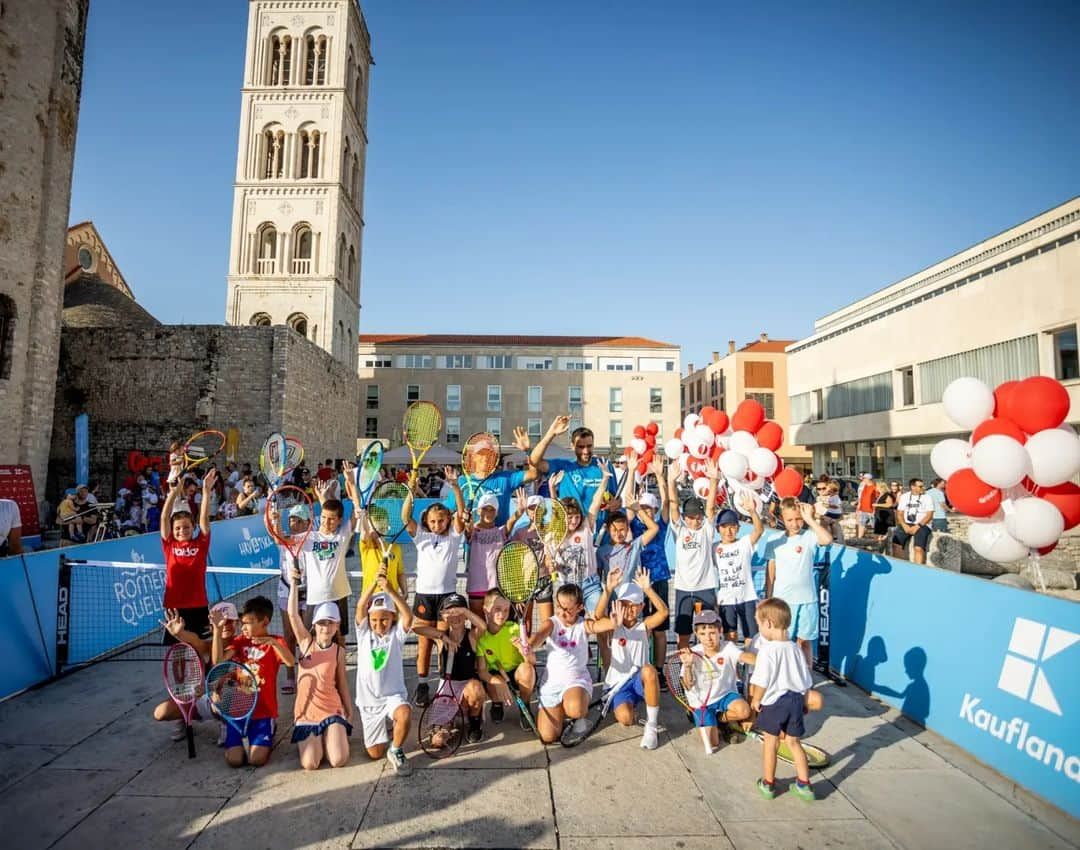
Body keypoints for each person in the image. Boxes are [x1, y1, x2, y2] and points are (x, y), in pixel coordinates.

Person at [404, 467, 466, 707]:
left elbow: (461, 513)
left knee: (444, 641)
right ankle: (422, 684)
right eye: (433, 521)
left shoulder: (453, 536)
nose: (438, 524)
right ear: (427, 522)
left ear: (448, 520)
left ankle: (443, 685)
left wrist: (456, 486)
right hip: (424, 596)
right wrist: (410, 491)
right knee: (424, 642)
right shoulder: (421, 536)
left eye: (441, 520)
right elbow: (404, 518)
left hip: (447, 597)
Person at [590, 567, 668, 749]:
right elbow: (596, 617)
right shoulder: (613, 625)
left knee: (649, 670)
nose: (630, 609)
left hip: (639, 679)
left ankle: (652, 725)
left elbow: (663, 612)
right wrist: (607, 590)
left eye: (634, 604)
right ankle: (637, 704)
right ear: (617, 605)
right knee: (625, 719)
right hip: (618, 684)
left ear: (641, 606)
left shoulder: (644, 626)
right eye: (625, 604)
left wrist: (648, 589)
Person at [212, 596, 294, 767]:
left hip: (264, 712)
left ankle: (270, 729)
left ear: (264, 621)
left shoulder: (276, 642)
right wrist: (217, 632)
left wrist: (272, 643)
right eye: (242, 623)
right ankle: (233, 731)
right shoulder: (240, 642)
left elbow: (290, 661)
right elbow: (218, 663)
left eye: (248, 623)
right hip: (239, 710)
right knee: (234, 761)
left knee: (256, 760)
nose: (243, 628)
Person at [285, 565, 353, 770]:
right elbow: (292, 614)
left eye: (331, 623)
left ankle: (332, 732)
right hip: (307, 714)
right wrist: (295, 583)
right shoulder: (305, 644)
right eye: (322, 622)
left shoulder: (339, 652)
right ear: (314, 625)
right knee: (311, 763)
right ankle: (318, 739)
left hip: (332, 709)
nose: (326, 627)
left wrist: (349, 711)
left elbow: (342, 684)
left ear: (337, 626)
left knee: (338, 760)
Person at [749, 597, 816, 802]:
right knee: (794, 743)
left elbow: (762, 679)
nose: (759, 628)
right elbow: (805, 680)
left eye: (759, 624)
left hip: (775, 703)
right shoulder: (796, 648)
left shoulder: (767, 650)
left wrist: (756, 699)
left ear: (768, 623)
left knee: (770, 743)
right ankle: (804, 784)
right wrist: (804, 702)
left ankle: (768, 783)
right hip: (795, 699)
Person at [526, 582, 601, 744]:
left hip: (575, 680)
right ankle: (559, 710)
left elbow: (599, 625)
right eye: (559, 606)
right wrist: (528, 645)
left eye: (568, 609)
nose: (562, 612)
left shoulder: (583, 624)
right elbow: (538, 636)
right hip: (551, 685)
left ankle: (577, 714)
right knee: (548, 737)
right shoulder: (552, 623)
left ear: (580, 607)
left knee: (575, 708)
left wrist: (615, 621)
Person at [153, 601, 237, 745]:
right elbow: (195, 640)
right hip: (201, 699)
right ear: (210, 627)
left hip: (223, 699)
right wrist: (179, 633)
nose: (225, 625)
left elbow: (219, 665)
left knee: (224, 691)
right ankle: (185, 717)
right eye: (221, 622)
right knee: (160, 713)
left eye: (229, 621)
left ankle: (225, 722)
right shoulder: (207, 645)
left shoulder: (240, 645)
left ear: (237, 623)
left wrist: (209, 689)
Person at [354, 573, 414, 774]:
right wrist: (374, 582)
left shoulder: (396, 636)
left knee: (404, 714)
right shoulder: (363, 634)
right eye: (374, 620)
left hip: (392, 697)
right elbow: (361, 607)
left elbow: (408, 616)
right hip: (369, 703)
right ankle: (387, 731)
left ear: (392, 618)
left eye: (384, 619)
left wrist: (389, 589)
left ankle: (396, 749)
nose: (379, 624)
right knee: (374, 753)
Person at [764, 498, 833, 667]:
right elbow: (770, 571)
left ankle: (806, 680)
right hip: (784, 602)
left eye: (798, 519)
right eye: (790, 520)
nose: (795, 524)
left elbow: (827, 539)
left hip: (808, 600)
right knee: (782, 643)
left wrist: (809, 519)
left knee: (804, 643)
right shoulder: (774, 539)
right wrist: (768, 597)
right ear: (782, 518)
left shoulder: (809, 537)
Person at [413, 593, 488, 745]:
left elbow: (483, 626)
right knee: (437, 742)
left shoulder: (472, 636)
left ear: (466, 615)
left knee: (476, 689)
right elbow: (416, 628)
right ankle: (448, 724)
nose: (455, 616)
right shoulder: (441, 638)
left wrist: (465, 611)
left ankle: (474, 722)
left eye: (459, 612)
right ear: (444, 616)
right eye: (450, 612)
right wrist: (442, 636)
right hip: (447, 691)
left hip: (466, 689)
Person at [677, 608, 755, 754]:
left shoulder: (728, 647)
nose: (708, 638)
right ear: (697, 635)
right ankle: (702, 716)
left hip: (725, 695)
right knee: (713, 744)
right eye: (703, 634)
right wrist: (687, 666)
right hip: (701, 702)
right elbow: (687, 685)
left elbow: (746, 657)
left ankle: (720, 719)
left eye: (712, 632)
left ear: (720, 631)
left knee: (744, 711)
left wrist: (770, 661)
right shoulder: (693, 653)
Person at [594, 501, 659, 668]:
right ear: (608, 530)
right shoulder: (602, 551)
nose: (618, 533)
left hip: (633, 601)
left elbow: (654, 529)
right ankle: (611, 672)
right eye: (614, 529)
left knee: (640, 635)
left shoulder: (634, 545)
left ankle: (642, 666)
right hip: (614, 602)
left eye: (622, 529)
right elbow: (599, 576)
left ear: (627, 529)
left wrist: (638, 509)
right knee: (610, 637)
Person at [625, 454, 671, 683]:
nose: (646, 512)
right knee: (640, 627)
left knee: (660, 629)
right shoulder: (634, 525)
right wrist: (631, 471)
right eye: (643, 508)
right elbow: (628, 500)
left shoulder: (660, 525)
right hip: (638, 582)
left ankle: (659, 670)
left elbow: (667, 503)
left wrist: (661, 477)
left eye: (649, 509)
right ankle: (641, 667)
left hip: (659, 579)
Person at [160, 469, 217, 647]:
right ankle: (180, 677)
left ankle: (199, 675)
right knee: (177, 651)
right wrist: (174, 493)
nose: (181, 531)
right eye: (177, 528)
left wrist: (206, 491)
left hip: (198, 604)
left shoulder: (201, 543)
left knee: (200, 647)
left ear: (193, 527)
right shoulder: (169, 545)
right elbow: (164, 518)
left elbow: (204, 518)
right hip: (175, 606)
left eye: (186, 527)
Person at [666, 458, 719, 649]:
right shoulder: (680, 531)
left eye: (698, 517)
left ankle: (708, 669)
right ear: (685, 517)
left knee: (708, 632)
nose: (695, 521)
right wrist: (670, 481)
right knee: (683, 636)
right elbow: (673, 506)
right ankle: (684, 672)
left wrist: (713, 481)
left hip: (705, 587)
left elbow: (711, 507)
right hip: (683, 588)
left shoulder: (706, 530)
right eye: (690, 517)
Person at [530, 417, 620, 530]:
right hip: (572, 535)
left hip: (601, 535)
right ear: (572, 446)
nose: (586, 451)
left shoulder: (604, 465)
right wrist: (551, 434)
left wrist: (617, 503)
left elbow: (616, 497)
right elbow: (534, 460)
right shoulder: (565, 467)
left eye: (589, 446)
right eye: (581, 447)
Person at [446, 426, 538, 525]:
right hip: (470, 539)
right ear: (474, 458)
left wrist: (528, 451)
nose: (485, 457)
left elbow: (534, 474)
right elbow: (447, 512)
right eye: (481, 454)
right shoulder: (461, 482)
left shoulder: (506, 479)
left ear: (495, 458)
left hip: (500, 537)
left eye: (489, 454)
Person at [552, 464, 609, 614]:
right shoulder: (556, 535)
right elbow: (556, 511)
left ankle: (606, 639)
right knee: (568, 627)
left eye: (577, 516)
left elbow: (596, 502)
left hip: (590, 585)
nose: (574, 521)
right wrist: (552, 489)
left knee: (600, 620)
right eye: (570, 517)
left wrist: (604, 479)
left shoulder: (585, 528)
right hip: (567, 587)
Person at [476, 588, 536, 729]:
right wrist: (498, 681)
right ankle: (497, 704)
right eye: (497, 609)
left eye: (506, 610)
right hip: (497, 675)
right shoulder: (481, 638)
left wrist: (524, 651)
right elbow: (482, 671)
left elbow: (532, 661)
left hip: (516, 674)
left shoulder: (515, 629)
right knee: (491, 680)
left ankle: (525, 706)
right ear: (486, 610)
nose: (502, 614)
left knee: (527, 670)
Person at [713, 495, 766, 644]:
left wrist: (752, 511)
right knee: (730, 637)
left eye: (732, 526)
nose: (728, 531)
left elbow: (759, 530)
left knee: (751, 636)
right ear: (718, 529)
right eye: (724, 527)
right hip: (726, 599)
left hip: (747, 597)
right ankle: (733, 667)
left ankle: (750, 667)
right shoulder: (714, 547)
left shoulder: (744, 543)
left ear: (737, 528)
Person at [464, 492, 525, 616]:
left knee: (497, 625)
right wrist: (467, 521)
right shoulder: (473, 532)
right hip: (476, 586)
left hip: (497, 587)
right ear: (479, 511)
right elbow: (467, 528)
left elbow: (512, 521)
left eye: (492, 510)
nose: (488, 513)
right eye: (485, 509)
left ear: (496, 513)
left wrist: (520, 510)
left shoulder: (501, 532)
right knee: (478, 626)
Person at [891, 478, 935, 564]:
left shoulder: (927, 497)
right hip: (906, 523)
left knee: (918, 548)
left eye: (923, 486)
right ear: (913, 487)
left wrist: (918, 526)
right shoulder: (905, 496)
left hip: (922, 525)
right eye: (920, 486)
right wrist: (904, 525)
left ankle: (918, 569)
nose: (923, 488)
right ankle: (900, 566)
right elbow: (899, 513)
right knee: (896, 544)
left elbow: (929, 515)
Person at [855, 474, 878, 540]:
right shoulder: (864, 486)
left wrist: (875, 509)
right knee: (861, 524)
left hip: (871, 510)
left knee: (874, 526)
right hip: (863, 509)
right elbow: (861, 498)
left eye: (864, 478)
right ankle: (859, 539)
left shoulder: (874, 487)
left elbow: (877, 498)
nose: (863, 479)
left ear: (868, 479)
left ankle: (877, 541)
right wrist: (858, 508)